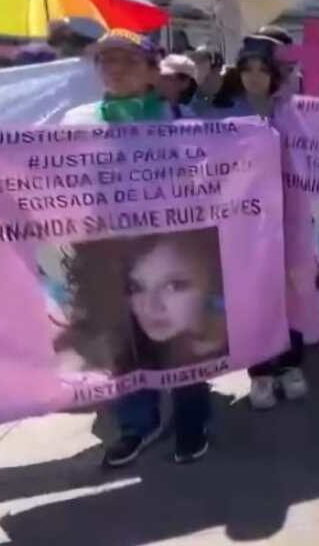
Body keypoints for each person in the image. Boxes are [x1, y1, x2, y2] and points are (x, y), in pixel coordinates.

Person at [58, 29, 214, 466]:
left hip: (168, 253)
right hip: (105, 253)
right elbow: (57, 182)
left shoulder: (181, 122)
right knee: (122, 345)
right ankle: (137, 424)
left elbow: (208, 182)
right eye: (106, 61)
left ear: (152, 70)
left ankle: (192, 418)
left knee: (180, 338)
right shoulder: (77, 122)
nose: (115, 69)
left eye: (128, 60)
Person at [206, 46, 309, 409]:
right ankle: (260, 371)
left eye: (261, 69)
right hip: (243, 222)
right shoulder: (221, 113)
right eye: (246, 68)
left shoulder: (290, 110)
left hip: (288, 217)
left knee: (290, 291)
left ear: (274, 75)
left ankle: (291, 364)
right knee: (252, 296)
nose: (253, 76)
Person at [59, 229, 227, 373]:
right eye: (135, 287)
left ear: (213, 282)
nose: (150, 306)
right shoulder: (115, 353)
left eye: (173, 286)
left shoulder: (239, 344)